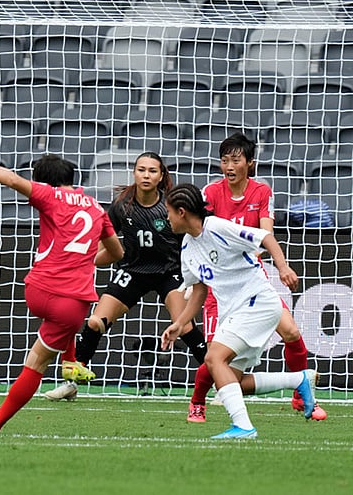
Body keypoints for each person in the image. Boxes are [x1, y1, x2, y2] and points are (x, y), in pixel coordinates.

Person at [0, 147, 124, 437]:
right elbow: (117, 252)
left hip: (38, 291)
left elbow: (13, 181)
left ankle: (70, 361)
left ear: (43, 182)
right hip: (72, 304)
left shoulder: (50, 196)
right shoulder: (96, 208)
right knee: (37, 363)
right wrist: (86, 259)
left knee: (53, 328)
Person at [44, 152, 208, 401]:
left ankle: (220, 381)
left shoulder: (171, 206)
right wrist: (83, 261)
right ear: (134, 173)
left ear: (161, 175)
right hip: (132, 271)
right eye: (141, 170)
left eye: (152, 171)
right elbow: (109, 247)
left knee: (184, 326)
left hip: (170, 272)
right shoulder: (122, 206)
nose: (146, 175)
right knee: (94, 322)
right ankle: (71, 383)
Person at [186, 133, 326, 423]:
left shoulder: (261, 192)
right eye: (224, 160)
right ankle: (197, 402)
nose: (229, 166)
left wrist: (282, 266)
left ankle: (300, 397)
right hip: (220, 284)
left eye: (235, 160)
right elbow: (198, 230)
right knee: (216, 358)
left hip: (252, 277)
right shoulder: (210, 193)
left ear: (249, 164)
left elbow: (265, 234)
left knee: (291, 332)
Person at [161, 183, 317, 439]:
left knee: (213, 359)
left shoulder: (218, 227)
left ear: (180, 212)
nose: (167, 218)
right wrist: (179, 324)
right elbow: (199, 292)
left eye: (168, 212)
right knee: (232, 383)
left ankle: (243, 427)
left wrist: (283, 267)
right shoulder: (187, 248)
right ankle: (299, 380)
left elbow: (264, 237)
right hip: (235, 311)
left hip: (258, 301)